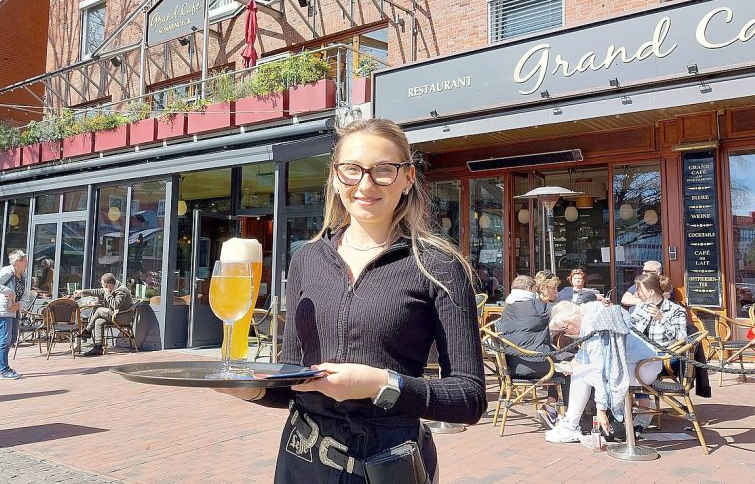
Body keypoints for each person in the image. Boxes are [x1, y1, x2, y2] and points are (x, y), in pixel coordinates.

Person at [219, 119, 485, 483]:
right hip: (303, 460)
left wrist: (382, 384)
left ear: (408, 178)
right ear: (334, 176)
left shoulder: (439, 266)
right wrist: (254, 389)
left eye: (384, 170)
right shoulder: (307, 259)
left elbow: (469, 398)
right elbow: (296, 381)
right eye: (352, 170)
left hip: (388, 463)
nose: (366, 184)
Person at [544, 301, 662, 443]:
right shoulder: (593, 319)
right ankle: (570, 424)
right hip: (644, 364)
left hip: (642, 368)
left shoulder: (592, 326)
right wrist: (572, 364)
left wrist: (601, 410)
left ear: (570, 322)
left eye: (564, 329)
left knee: (581, 375)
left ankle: (570, 426)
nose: (566, 334)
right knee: (580, 372)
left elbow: (601, 371)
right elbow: (587, 354)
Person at [500, 274, 565, 428]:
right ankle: (552, 407)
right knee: (571, 364)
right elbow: (562, 315)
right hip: (535, 365)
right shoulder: (539, 307)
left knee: (561, 359)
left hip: (511, 367)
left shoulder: (506, 310)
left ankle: (553, 409)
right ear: (530, 289)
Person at [0, 250, 36, 380]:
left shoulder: (23, 276)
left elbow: (26, 294)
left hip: (14, 310)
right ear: (17, 262)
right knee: (5, 340)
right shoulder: (7, 272)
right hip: (3, 309)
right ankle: (4, 370)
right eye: (24, 260)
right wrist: (7, 291)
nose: (27, 262)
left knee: (12, 339)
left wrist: (20, 304)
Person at [74, 273, 134, 357]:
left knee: (99, 310)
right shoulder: (111, 287)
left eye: (103, 285)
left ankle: (87, 330)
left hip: (123, 316)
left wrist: (107, 294)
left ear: (109, 285)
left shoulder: (121, 290)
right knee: (98, 321)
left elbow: (116, 305)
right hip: (116, 314)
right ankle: (98, 347)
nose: (102, 287)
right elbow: (97, 291)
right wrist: (82, 291)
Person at [629, 273, 687, 348]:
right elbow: (629, 326)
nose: (636, 294)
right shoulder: (641, 306)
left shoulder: (675, 310)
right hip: (640, 352)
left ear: (651, 292)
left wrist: (662, 319)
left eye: (639, 290)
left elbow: (682, 338)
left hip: (663, 356)